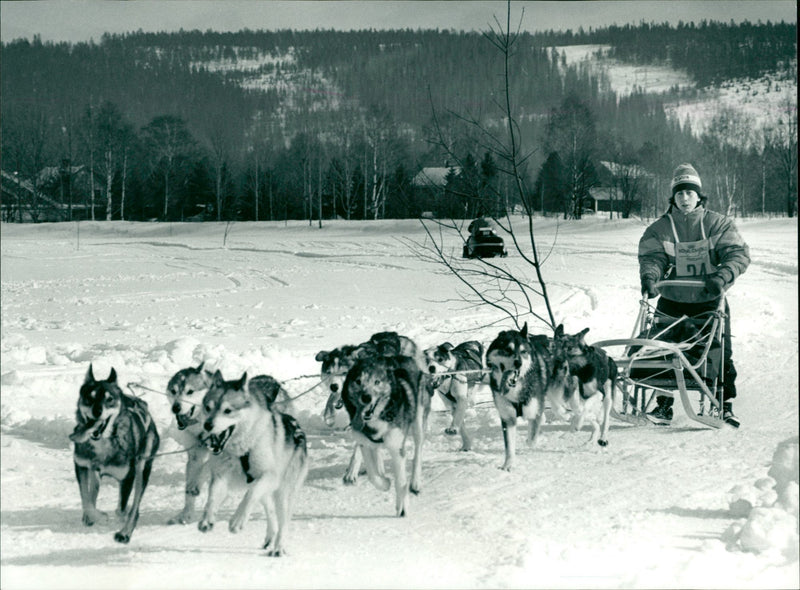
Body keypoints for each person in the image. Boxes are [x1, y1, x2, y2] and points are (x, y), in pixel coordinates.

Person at [638, 163, 750, 426]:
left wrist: (721, 277)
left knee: (717, 351)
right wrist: (650, 277)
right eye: (679, 193)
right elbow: (652, 257)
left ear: (699, 195)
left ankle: (724, 405)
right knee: (660, 348)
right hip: (672, 299)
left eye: (689, 192)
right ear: (673, 197)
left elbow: (738, 254)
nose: (685, 198)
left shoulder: (717, 224)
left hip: (709, 298)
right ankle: (663, 405)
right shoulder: (660, 228)